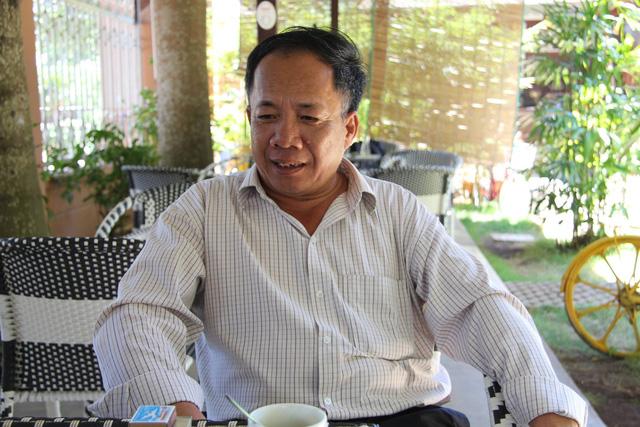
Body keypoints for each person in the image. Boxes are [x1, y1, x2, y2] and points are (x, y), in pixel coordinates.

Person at [90, 27, 587, 426]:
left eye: (309, 117)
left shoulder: (397, 211)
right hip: (258, 420)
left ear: (349, 127)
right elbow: (140, 313)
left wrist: (545, 403)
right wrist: (171, 404)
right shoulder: (204, 210)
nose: (284, 137)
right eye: (267, 115)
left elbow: (480, 307)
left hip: (404, 417)